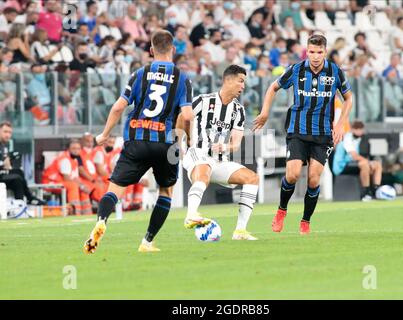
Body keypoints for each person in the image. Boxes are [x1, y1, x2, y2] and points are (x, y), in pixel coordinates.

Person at [83, 30, 194, 254]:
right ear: (173, 50)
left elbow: (117, 107)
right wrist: (188, 139)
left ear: (151, 51)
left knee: (115, 189)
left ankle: (102, 220)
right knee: (165, 192)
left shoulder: (139, 74)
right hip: (166, 143)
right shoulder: (183, 78)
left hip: (136, 139)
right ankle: (147, 242)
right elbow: (188, 116)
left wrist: (104, 134)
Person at [253, 34, 353, 234]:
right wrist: (264, 112)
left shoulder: (335, 72)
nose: (315, 56)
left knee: (314, 179)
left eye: (319, 52)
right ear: (307, 51)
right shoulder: (297, 70)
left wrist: (341, 123)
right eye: (311, 52)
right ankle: (281, 210)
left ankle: (305, 221)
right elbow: (273, 88)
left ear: (325, 52)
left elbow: (349, 98)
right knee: (293, 174)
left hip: (323, 133)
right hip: (298, 130)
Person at [183, 65, 259, 240]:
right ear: (228, 80)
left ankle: (240, 231)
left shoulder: (238, 110)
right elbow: (182, 118)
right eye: (240, 81)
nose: (243, 86)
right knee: (204, 171)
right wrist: (186, 139)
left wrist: (226, 147)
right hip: (197, 153)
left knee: (252, 178)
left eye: (244, 82)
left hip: (219, 160)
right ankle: (191, 215)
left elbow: (236, 144)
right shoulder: (203, 101)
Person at [332, 121, 382, 201]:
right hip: (342, 166)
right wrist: (369, 163)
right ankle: (366, 193)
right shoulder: (347, 138)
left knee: (377, 164)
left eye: (360, 129)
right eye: (356, 129)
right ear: (352, 129)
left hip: (355, 164)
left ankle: (377, 191)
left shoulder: (363, 139)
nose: (358, 131)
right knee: (364, 164)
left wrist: (371, 163)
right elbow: (354, 156)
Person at [42, 139, 93, 215]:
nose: (76, 151)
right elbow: (67, 178)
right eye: (74, 149)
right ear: (68, 149)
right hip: (51, 183)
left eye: (78, 149)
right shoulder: (65, 159)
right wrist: (81, 186)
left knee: (82, 188)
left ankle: (87, 213)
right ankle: (74, 211)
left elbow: (76, 178)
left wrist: (83, 186)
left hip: (61, 182)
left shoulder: (74, 159)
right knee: (73, 186)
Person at [0, 121, 45, 205]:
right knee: (17, 178)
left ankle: (25, 200)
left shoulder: (4, 147)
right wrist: (3, 163)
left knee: (18, 172)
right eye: (5, 132)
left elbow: (7, 166)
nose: (7, 135)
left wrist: (8, 163)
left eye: (10, 132)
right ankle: (22, 203)